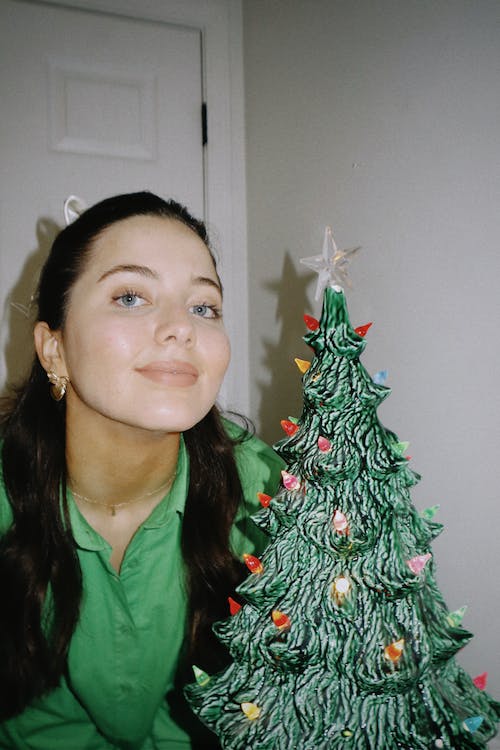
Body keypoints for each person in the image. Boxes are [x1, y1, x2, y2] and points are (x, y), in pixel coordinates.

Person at [0, 192, 284, 749]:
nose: (181, 328)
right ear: (54, 350)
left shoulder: (268, 490)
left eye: (204, 307)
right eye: (130, 297)